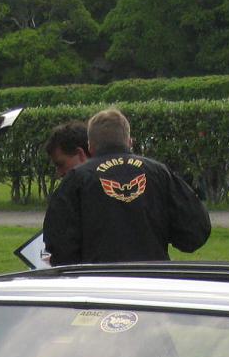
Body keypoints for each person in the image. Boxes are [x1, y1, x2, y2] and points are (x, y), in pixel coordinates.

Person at [42, 107, 211, 266]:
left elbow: (58, 245)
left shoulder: (77, 179)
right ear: (129, 142)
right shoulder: (159, 173)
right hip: (151, 281)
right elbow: (195, 232)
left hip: (97, 284)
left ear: (91, 146)